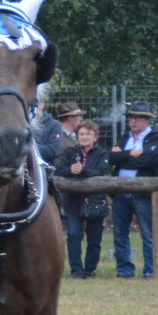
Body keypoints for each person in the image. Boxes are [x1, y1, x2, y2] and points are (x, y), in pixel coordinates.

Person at [109, 100, 158, 278]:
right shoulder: (125, 136)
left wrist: (123, 156)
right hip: (120, 193)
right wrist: (129, 153)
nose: (133, 121)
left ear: (146, 120)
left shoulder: (156, 138)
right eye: (130, 118)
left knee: (147, 233)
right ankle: (124, 270)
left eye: (137, 118)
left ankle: (150, 270)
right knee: (120, 234)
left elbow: (149, 160)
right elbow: (112, 158)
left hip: (142, 193)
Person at [55, 118, 108, 277]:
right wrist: (71, 169)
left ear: (95, 137)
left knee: (94, 238)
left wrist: (82, 171)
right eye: (81, 134)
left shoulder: (102, 153)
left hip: (95, 202)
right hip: (73, 202)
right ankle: (76, 269)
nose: (84, 137)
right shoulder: (71, 152)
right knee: (73, 235)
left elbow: (101, 171)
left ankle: (89, 269)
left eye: (88, 134)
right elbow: (59, 171)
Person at [36, 100, 83, 166]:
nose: (81, 119)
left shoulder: (77, 136)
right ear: (70, 118)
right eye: (79, 116)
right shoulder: (56, 137)